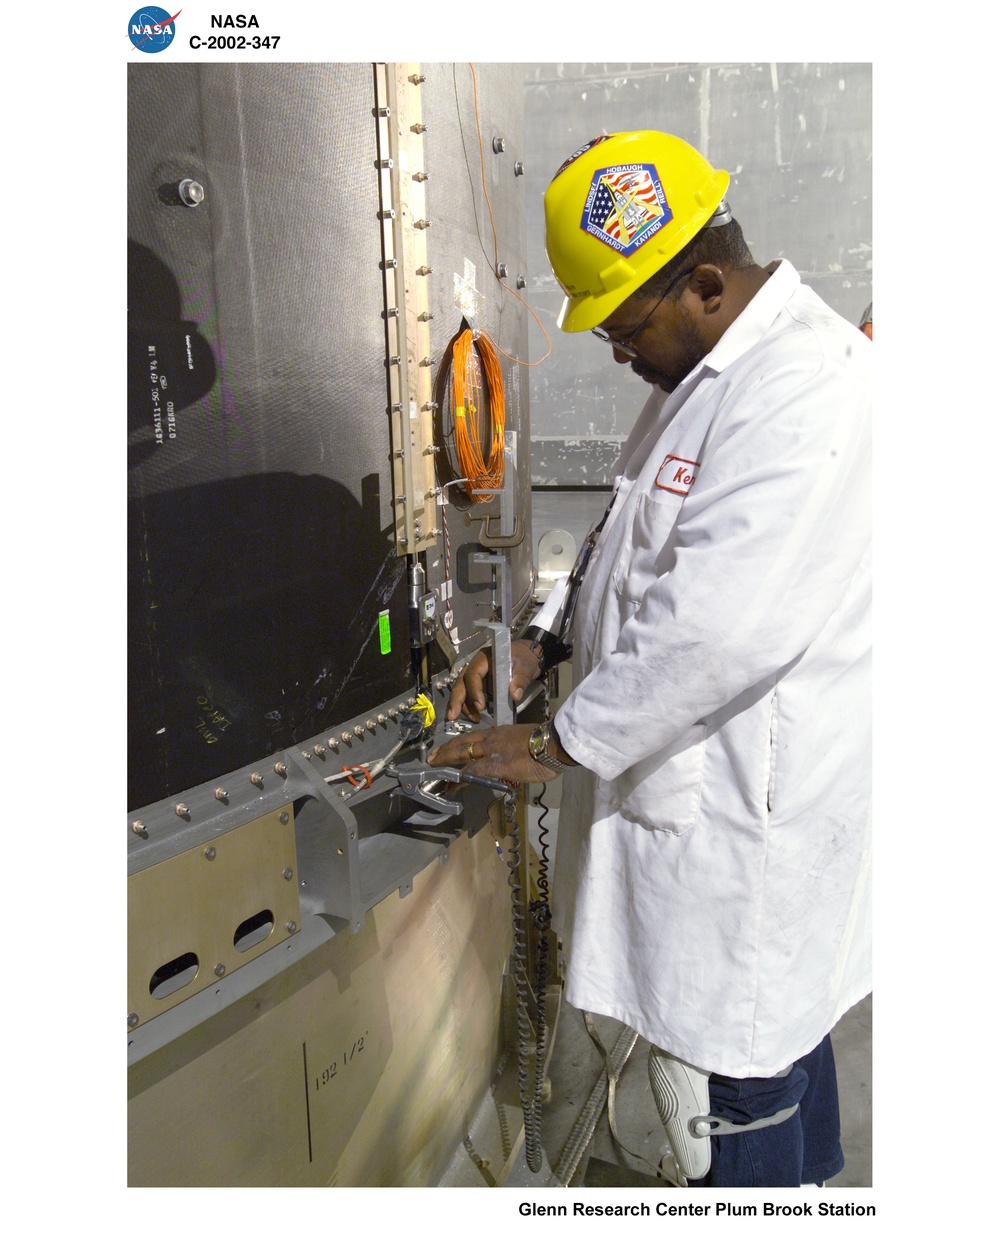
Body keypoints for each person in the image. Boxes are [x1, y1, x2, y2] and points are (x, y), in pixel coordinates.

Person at [428, 130, 871, 1187]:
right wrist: (547, 637)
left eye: (625, 327)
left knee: (741, 1074)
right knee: (767, 1047)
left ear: (706, 284)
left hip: (744, 826)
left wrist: (555, 742)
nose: (617, 353)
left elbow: (723, 621)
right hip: (708, 803)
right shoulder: (706, 375)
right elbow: (622, 539)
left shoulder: (803, 383)